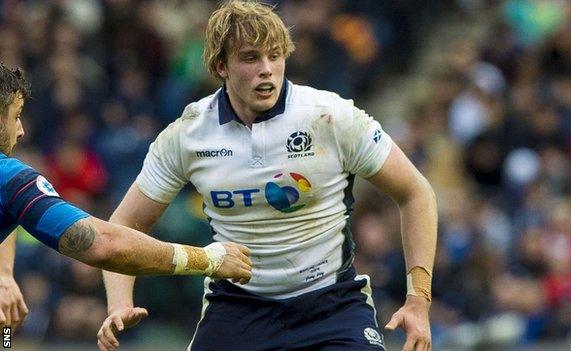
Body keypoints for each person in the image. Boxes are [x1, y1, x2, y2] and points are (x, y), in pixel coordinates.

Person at [99, 1, 437, 351]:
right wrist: (120, 302)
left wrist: (419, 299)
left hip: (332, 307)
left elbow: (415, 192)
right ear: (221, 65)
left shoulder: (331, 117)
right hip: (238, 310)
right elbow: (124, 227)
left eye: (275, 56)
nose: (267, 70)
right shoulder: (187, 135)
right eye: (250, 58)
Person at [0, 63, 253, 333]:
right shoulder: (9, 176)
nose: (22, 130)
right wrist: (207, 259)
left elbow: (10, 210)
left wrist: (4, 276)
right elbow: (103, 243)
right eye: (16, 116)